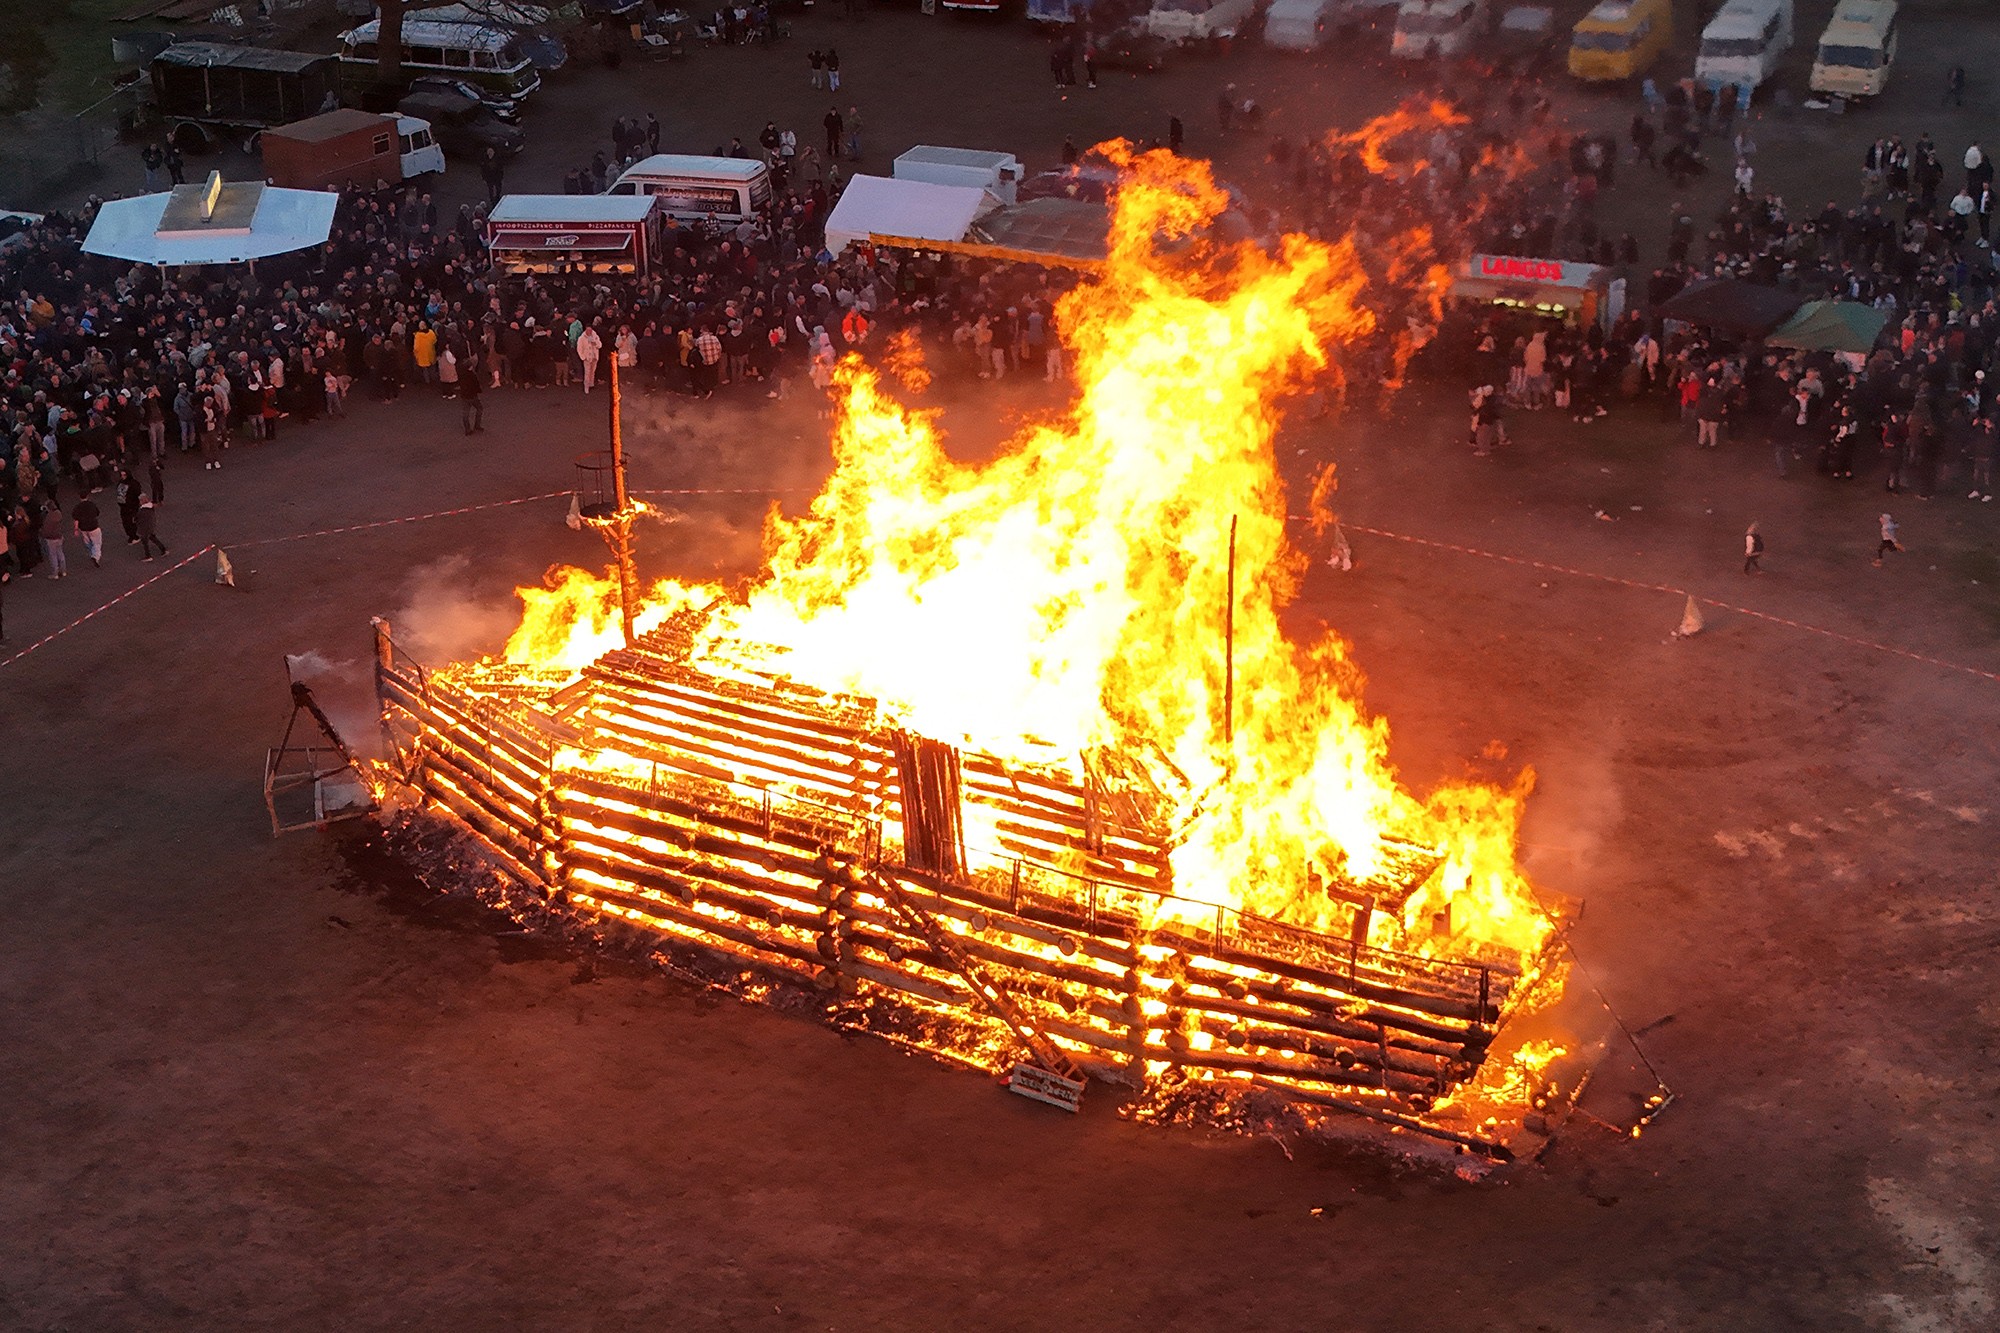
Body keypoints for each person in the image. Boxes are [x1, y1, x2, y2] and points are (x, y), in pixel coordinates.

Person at [72, 495, 103, 568]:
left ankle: (92, 553)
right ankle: (95, 557)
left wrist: (76, 529)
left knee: (87, 543)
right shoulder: (92, 504)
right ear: (87, 496)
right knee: (97, 543)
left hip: (83, 528)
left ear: (80, 497)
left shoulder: (78, 507)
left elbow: (76, 519)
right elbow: (98, 513)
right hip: (93, 527)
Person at [135, 493, 167, 562]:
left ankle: (148, 556)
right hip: (150, 526)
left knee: (145, 542)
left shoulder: (142, 510)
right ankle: (163, 549)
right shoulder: (151, 507)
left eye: (140, 500)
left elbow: (137, 519)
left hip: (144, 528)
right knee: (153, 538)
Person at [39, 503, 66, 579]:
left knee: (53, 555)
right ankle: (63, 570)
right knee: (60, 553)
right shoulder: (58, 514)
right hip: (59, 536)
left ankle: (55, 573)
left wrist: (42, 534)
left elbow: (46, 530)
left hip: (51, 538)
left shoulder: (48, 518)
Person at [577, 323, 604, 393]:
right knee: (587, 372)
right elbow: (579, 349)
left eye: (590, 330)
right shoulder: (582, 338)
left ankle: (591, 384)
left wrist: (594, 342)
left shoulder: (595, 336)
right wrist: (583, 357)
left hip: (594, 357)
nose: (589, 331)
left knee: (593, 371)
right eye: (587, 330)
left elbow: (600, 345)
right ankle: (586, 387)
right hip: (587, 358)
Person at [460, 362, 484, 435]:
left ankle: (467, 430)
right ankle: (477, 425)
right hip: (473, 396)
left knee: (466, 413)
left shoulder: (461, 375)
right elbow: (476, 385)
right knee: (480, 408)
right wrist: (479, 390)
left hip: (464, 396)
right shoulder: (472, 375)